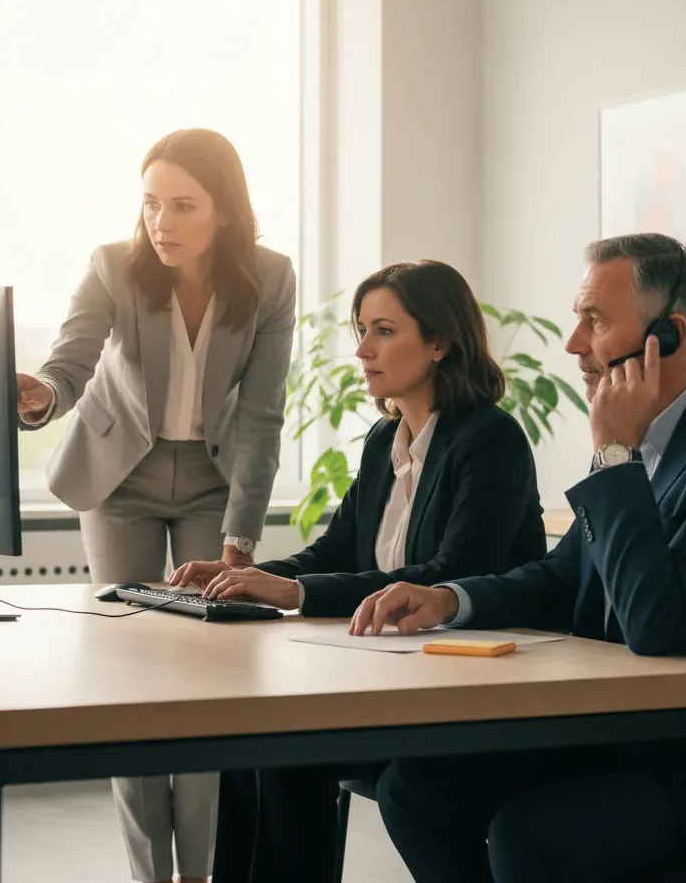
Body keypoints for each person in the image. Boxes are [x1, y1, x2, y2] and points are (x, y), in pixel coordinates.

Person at [352, 233, 686, 883]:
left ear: (670, 335)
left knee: (532, 835)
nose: (573, 343)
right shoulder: (643, 442)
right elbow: (565, 574)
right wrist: (452, 600)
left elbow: (656, 618)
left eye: (593, 321)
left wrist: (615, 455)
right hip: (634, 742)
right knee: (417, 794)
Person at [171, 259, 548, 883]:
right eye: (361, 329)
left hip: (469, 687)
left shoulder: (491, 438)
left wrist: (293, 590)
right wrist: (251, 575)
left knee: (287, 747)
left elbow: (453, 572)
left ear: (439, 343)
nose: (362, 348)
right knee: (250, 739)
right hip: (395, 672)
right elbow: (335, 550)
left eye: (383, 331)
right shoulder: (384, 438)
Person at [16, 128, 296, 883]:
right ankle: (149, 873)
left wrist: (241, 540)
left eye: (181, 205)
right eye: (149, 204)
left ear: (225, 212)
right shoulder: (115, 266)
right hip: (120, 480)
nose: (160, 223)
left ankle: (199, 872)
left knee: (209, 676)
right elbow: (69, 364)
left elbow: (264, 415)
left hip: (210, 476)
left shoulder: (270, 279)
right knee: (129, 676)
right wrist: (42, 397)